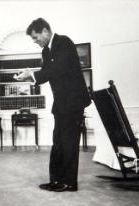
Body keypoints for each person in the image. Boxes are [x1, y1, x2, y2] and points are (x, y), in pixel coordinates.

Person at [15, 18, 91, 192]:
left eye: (35, 37)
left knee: (69, 143)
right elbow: (48, 73)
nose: (35, 42)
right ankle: (56, 180)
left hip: (73, 103)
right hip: (61, 104)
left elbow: (58, 69)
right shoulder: (46, 52)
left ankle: (69, 183)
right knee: (58, 142)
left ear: (45, 31)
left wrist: (34, 75)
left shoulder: (64, 42)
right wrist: (29, 75)